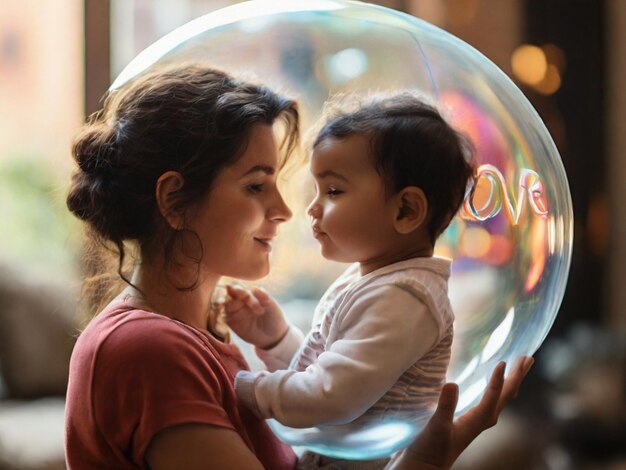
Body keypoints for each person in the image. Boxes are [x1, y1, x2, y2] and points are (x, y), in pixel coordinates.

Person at [64, 63, 532, 470]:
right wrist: (425, 462)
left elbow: (322, 382)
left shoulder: (191, 340)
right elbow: (322, 389)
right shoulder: (147, 350)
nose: (287, 210)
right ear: (174, 201)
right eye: (255, 186)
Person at [228, 93, 474, 467]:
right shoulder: (378, 281)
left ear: (406, 210)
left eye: (333, 191)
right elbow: (335, 370)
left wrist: (238, 387)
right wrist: (278, 339)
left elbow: (331, 397)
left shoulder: (405, 299)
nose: (312, 208)